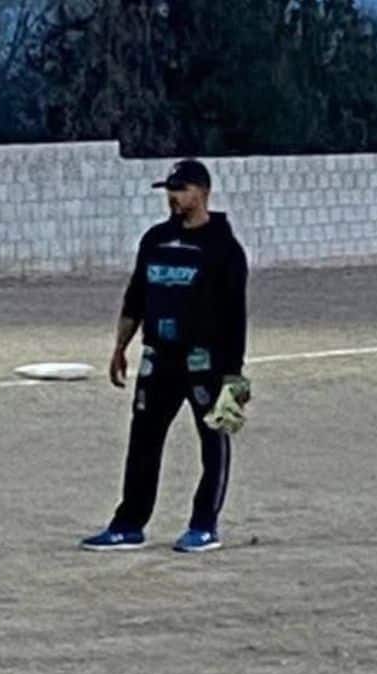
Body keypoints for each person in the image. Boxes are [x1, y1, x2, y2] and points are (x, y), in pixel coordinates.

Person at [82, 159, 250, 554]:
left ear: (203, 192)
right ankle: (129, 525)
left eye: (181, 189)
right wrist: (120, 348)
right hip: (159, 358)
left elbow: (235, 317)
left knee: (213, 441)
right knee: (143, 439)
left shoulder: (224, 248)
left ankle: (204, 525)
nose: (173, 197)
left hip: (205, 362)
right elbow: (135, 298)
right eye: (169, 190)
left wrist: (234, 377)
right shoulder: (155, 240)